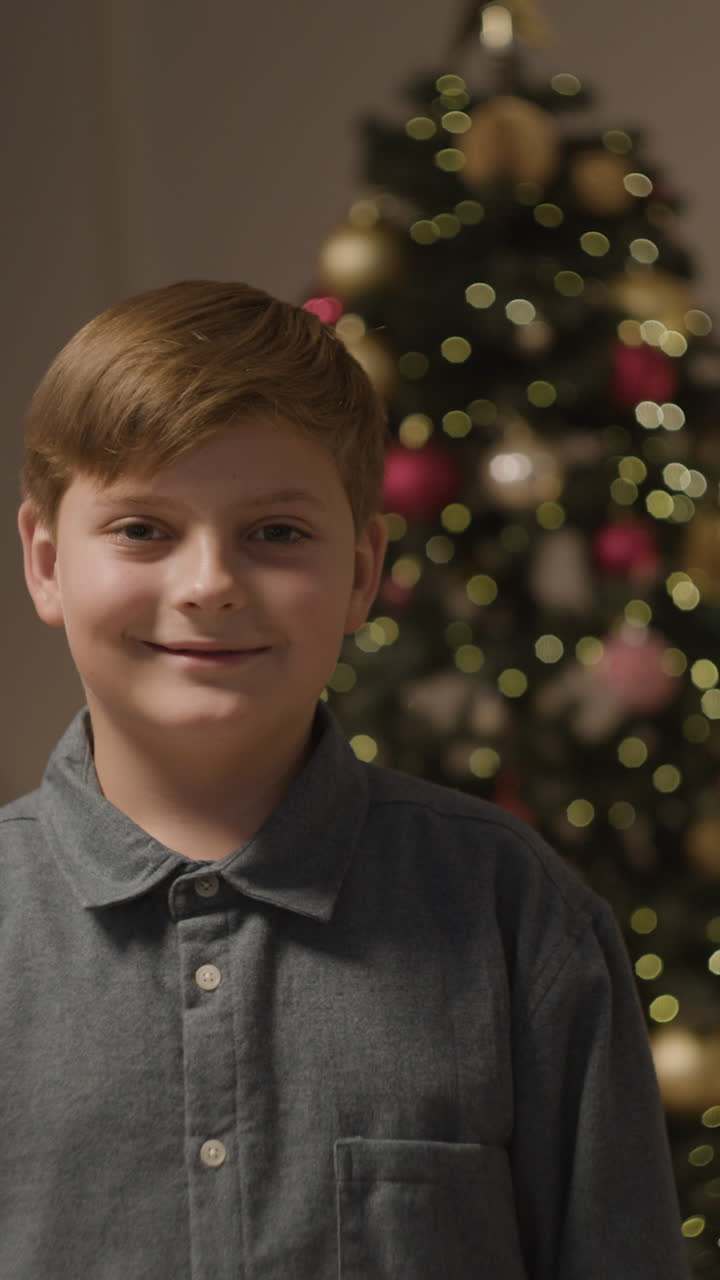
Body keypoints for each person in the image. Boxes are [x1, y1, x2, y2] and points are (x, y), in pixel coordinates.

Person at [2, 279, 688, 1279]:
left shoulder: (516, 914)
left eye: (276, 532)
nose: (208, 582)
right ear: (47, 561)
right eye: (143, 528)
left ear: (365, 570)